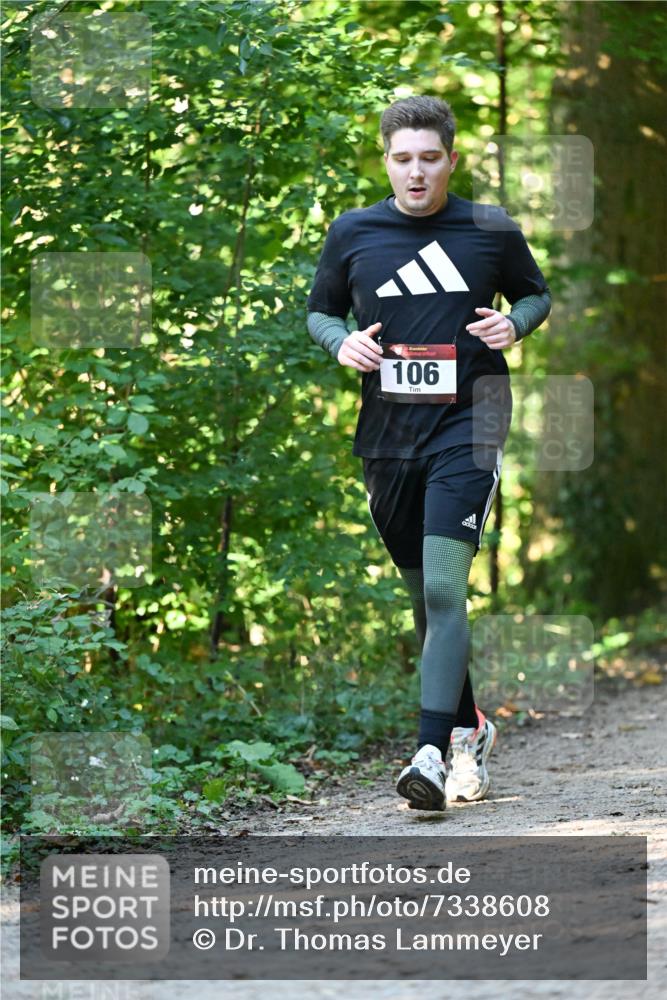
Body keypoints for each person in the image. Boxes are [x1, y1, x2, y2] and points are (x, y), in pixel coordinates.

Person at [306, 96, 551, 811]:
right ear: (385, 160)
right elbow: (321, 310)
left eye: (429, 157)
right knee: (423, 598)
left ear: (450, 158)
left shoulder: (488, 228)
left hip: (470, 422)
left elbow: (535, 294)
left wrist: (515, 325)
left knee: (444, 590)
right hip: (386, 437)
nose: (416, 172)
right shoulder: (353, 232)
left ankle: (428, 754)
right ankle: (469, 728)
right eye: (401, 158)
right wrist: (338, 342)